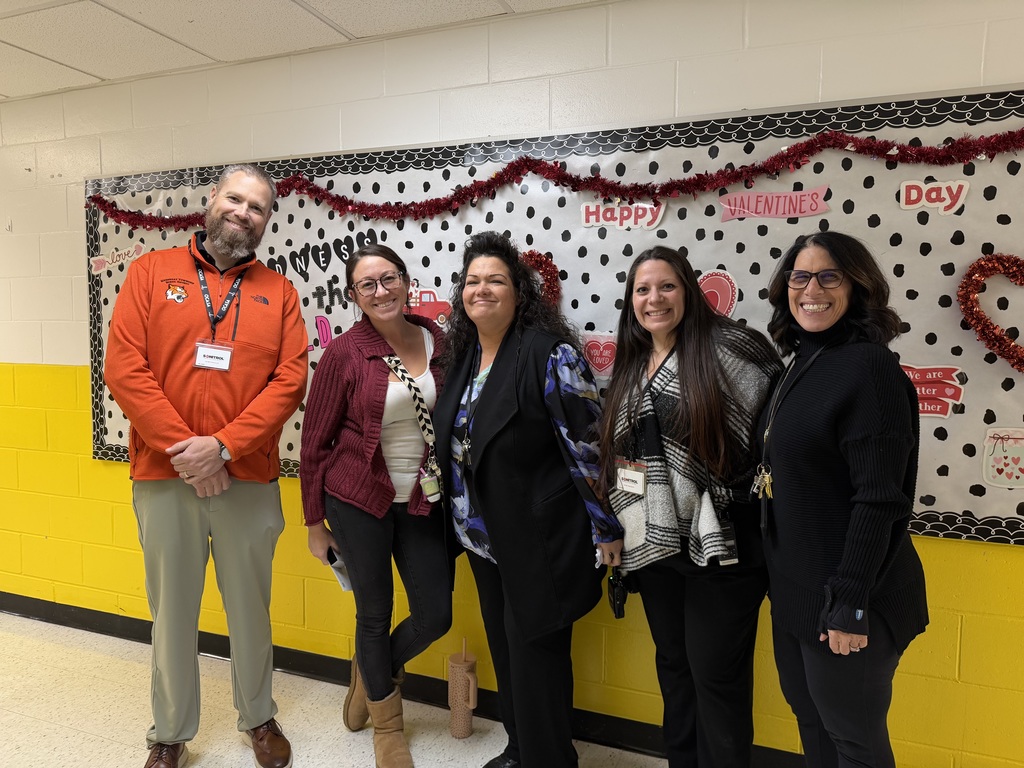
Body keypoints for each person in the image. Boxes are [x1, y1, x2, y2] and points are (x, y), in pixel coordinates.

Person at [104, 164, 308, 768]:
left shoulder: (280, 293)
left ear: (267, 222)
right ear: (212, 199)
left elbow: (289, 381)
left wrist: (223, 447)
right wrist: (189, 452)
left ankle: (259, 717)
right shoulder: (150, 273)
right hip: (165, 475)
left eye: (258, 208)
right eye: (236, 198)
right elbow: (125, 369)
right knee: (172, 609)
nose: (244, 213)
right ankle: (169, 732)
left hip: (247, 476)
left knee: (250, 605)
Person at [433, 231, 624, 768]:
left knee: (536, 651)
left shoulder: (548, 353)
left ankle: (550, 759)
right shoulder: (464, 354)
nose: (482, 290)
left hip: (538, 535)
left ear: (520, 291)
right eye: (472, 281)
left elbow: (586, 446)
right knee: (505, 648)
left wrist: (605, 527)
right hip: (482, 538)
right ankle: (521, 749)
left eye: (495, 280)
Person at [597, 246, 783, 767]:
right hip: (655, 544)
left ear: (689, 291)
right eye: (642, 289)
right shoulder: (632, 360)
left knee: (716, 677)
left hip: (723, 545)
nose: (654, 299)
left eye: (667, 286)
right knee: (675, 668)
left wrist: (722, 496)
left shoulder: (734, 348)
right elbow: (618, 453)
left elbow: (775, 440)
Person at [759, 231, 928, 768]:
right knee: (814, 726)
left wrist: (850, 601)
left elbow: (880, 499)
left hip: (850, 597)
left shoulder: (868, 369)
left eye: (830, 276)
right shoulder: (801, 364)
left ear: (858, 286)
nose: (812, 289)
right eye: (801, 276)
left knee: (854, 743)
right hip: (797, 591)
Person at [300, 244, 452, 768]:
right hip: (357, 497)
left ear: (406, 282)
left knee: (435, 614)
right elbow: (314, 444)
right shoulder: (345, 353)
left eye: (389, 279)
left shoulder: (439, 342)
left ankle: (371, 670)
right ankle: (388, 727)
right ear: (354, 295)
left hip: (422, 498)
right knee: (375, 610)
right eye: (368, 284)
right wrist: (314, 524)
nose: (381, 291)